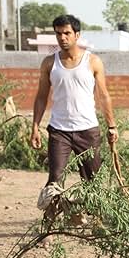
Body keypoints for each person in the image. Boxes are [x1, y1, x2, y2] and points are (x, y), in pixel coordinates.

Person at [30, 14, 118, 209]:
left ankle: (95, 220)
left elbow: (103, 96)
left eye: (67, 33)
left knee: (92, 180)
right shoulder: (49, 63)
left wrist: (112, 126)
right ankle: (49, 230)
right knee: (55, 181)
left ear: (77, 35)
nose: (62, 38)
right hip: (59, 130)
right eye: (58, 34)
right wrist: (35, 127)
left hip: (88, 130)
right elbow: (41, 96)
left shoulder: (93, 61)